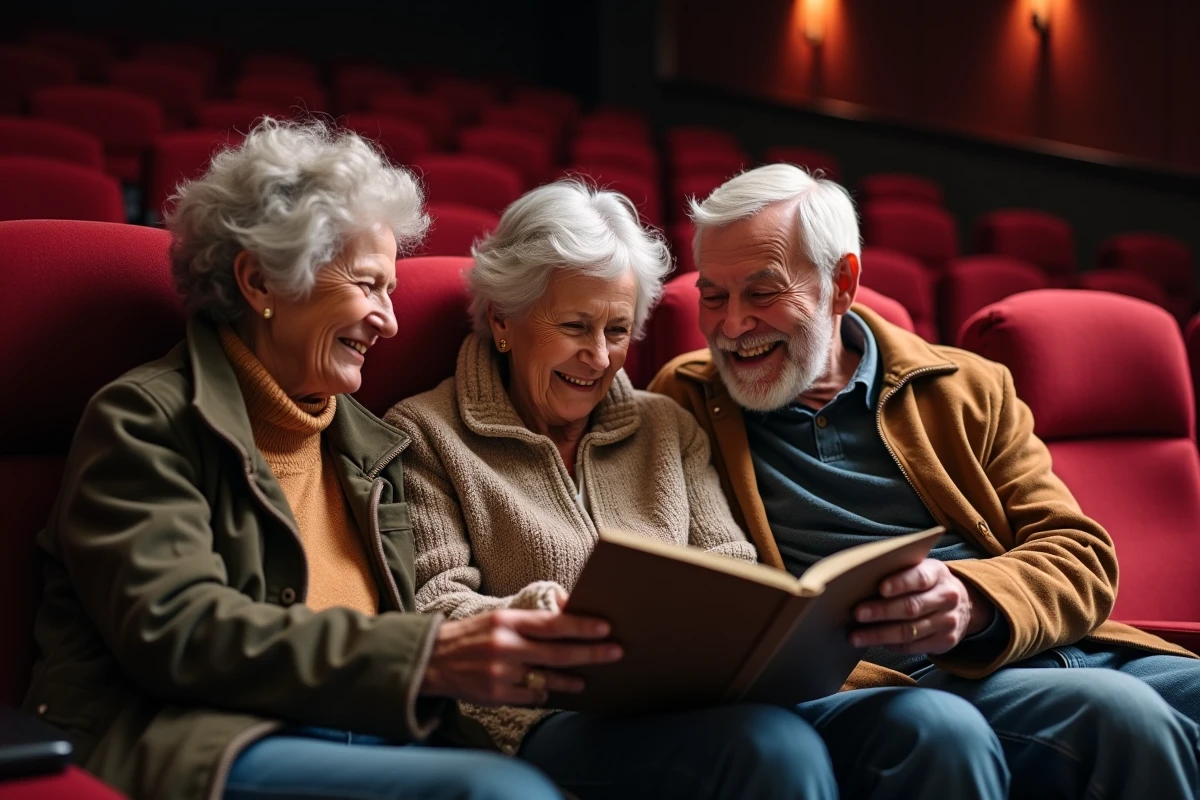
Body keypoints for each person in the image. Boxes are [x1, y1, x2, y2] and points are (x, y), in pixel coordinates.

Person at [21, 119, 623, 800]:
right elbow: (180, 631)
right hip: (207, 742)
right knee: (498, 795)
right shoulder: (144, 420)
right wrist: (429, 657)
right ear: (261, 282)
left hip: (370, 732)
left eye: (392, 290)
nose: (389, 320)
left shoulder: (370, 445)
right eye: (369, 285)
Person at [650, 162, 1200, 799]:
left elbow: (1083, 558)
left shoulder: (967, 385)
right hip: (922, 683)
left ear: (841, 283)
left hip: (1060, 645)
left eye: (764, 292)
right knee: (1121, 719)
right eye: (713, 296)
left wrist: (971, 600)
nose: (733, 324)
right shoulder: (688, 399)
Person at [385, 180, 839, 800]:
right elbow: (433, 606)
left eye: (619, 331)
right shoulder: (426, 434)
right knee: (772, 750)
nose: (599, 357)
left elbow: (731, 568)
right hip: (531, 719)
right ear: (503, 319)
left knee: (790, 738)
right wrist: (543, 619)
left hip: (680, 705)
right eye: (575, 325)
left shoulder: (668, 427)